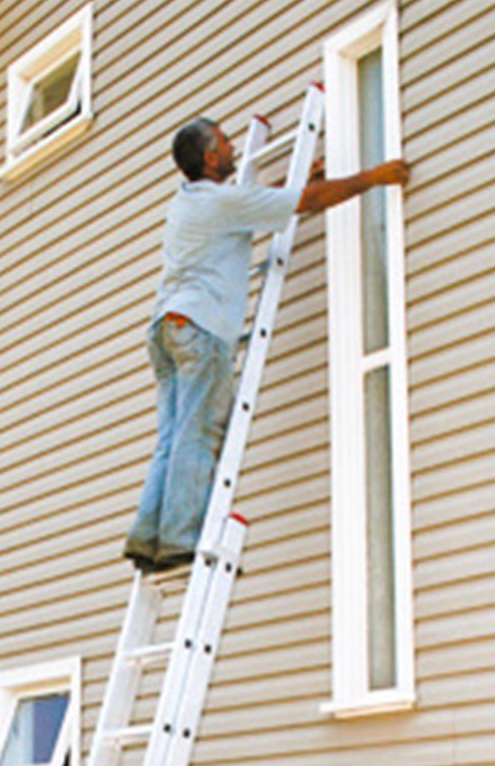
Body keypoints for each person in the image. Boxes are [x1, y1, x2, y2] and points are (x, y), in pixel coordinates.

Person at [123, 115, 409, 571]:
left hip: (166, 328)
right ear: (212, 156)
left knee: (171, 439)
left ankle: (146, 538)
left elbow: (268, 206)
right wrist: (372, 178)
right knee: (197, 433)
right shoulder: (220, 202)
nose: (234, 146)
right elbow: (299, 201)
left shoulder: (192, 201)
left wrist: (299, 189)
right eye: (225, 141)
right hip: (200, 327)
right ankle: (178, 539)